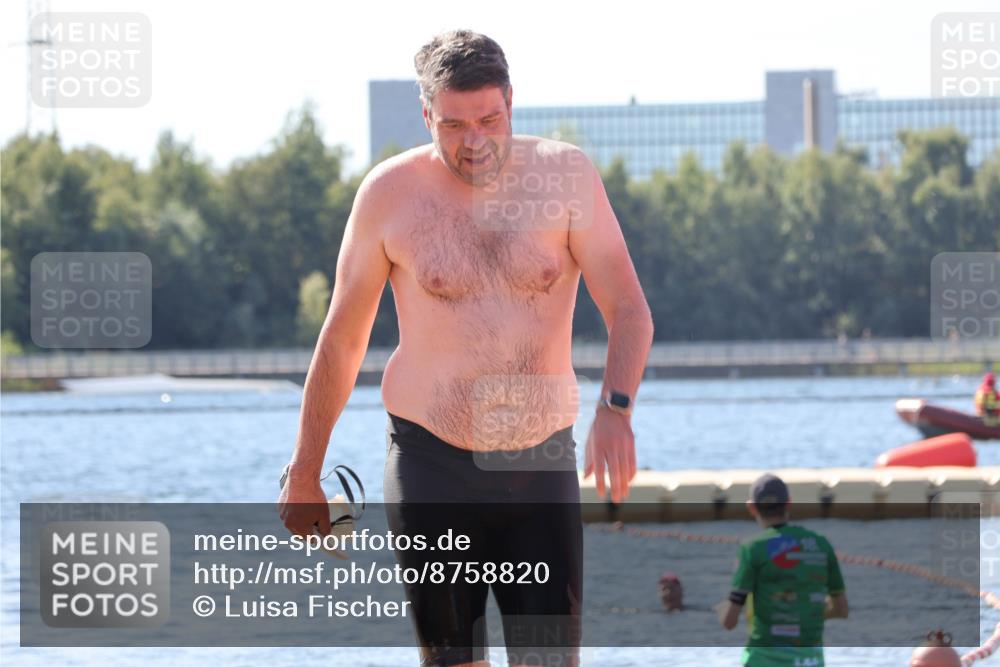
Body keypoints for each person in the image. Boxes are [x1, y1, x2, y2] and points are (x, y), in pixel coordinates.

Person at [277, 29, 654, 667]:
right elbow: (343, 338)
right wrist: (306, 469)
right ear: (427, 115)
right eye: (454, 124)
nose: (474, 140)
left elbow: (628, 309)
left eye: (489, 119)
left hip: (539, 467)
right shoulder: (389, 196)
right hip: (432, 463)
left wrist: (615, 410)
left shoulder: (565, 177)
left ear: (511, 103)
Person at [715, 473, 848, 667]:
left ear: (752, 508)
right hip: (810, 661)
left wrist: (722, 609)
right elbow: (841, 610)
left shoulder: (753, 549)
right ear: (788, 504)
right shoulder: (821, 544)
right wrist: (804, 610)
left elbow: (729, 621)